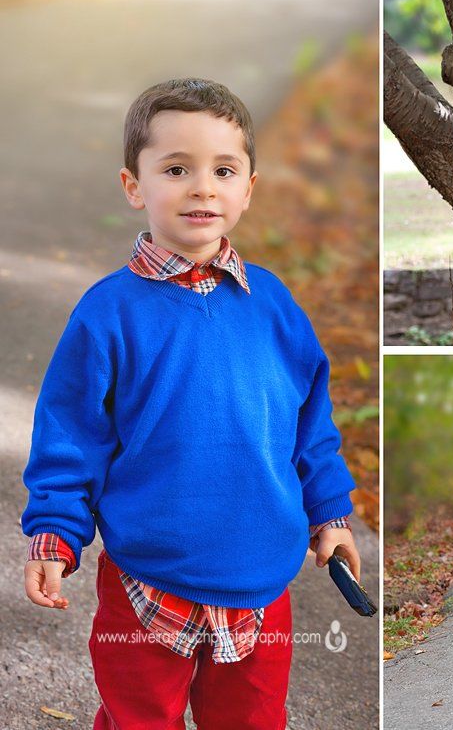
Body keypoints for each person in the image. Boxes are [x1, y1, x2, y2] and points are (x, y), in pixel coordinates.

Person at [21, 78, 362, 728]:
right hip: (147, 573)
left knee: (253, 718)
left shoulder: (273, 306)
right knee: (139, 714)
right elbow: (69, 435)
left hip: (260, 573)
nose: (203, 187)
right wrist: (55, 535)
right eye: (176, 169)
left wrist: (331, 511)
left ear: (248, 188)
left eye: (223, 170)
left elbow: (309, 425)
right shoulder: (109, 313)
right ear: (134, 185)